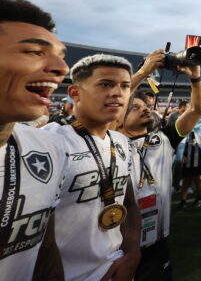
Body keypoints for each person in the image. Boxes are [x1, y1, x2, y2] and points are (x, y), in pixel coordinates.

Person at [44, 54, 141, 281]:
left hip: (117, 266)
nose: (118, 92)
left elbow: (127, 202)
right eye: (105, 84)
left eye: (125, 86)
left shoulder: (121, 142)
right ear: (75, 93)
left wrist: (133, 253)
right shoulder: (50, 142)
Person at [0, 0, 70, 280]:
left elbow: (45, 248)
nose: (62, 69)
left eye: (61, 57)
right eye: (33, 52)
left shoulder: (46, 147)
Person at [123, 50, 201, 280]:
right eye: (135, 107)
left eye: (144, 105)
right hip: (116, 244)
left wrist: (195, 78)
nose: (145, 108)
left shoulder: (163, 139)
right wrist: (143, 72)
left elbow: (197, 110)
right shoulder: (109, 142)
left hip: (157, 242)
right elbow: (114, 98)